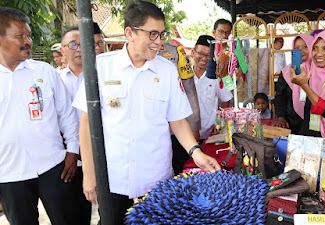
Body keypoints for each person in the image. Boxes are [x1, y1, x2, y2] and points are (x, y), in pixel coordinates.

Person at [72, 2, 221, 224]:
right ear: (130, 33)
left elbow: (177, 121)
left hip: (156, 180)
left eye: (162, 34)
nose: (159, 42)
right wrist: (89, 174)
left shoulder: (167, 71)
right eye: (152, 34)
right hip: (113, 180)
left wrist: (196, 154)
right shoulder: (101, 67)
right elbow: (86, 124)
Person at [0, 7, 80, 225]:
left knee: (68, 220)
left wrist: (73, 150)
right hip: (9, 173)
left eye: (29, 35)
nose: (28, 41)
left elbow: (67, 114)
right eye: (20, 36)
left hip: (54, 167)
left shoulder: (44, 72)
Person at [59, 27, 91, 225]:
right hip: (68, 160)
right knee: (72, 213)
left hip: (98, 158)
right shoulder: (55, 80)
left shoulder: (99, 78)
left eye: (82, 44)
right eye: (72, 44)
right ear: (62, 50)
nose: (78, 49)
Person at [158, 42, 201, 175]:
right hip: (148, 133)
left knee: (177, 168)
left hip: (175, 130)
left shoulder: (175, 51)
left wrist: (194, 124)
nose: (157, 40)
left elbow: (189, 89)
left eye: (161, 34)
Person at [192, 35, 233, 141]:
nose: (204, 58)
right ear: (193, 52)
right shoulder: (183, 76)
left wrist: (219, 121)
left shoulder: (216, 75)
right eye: (200, 53)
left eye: (208, 55)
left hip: (209, 134)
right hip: (187, 134)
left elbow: (226, 99)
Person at [274, 34, 314, 133]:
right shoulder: (287, 71)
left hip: (314, 120)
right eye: (297, 48)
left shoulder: (319, 70)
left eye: (305, 46)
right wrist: (281, 116)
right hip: (291, 120)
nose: (301, 51)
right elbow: (280, 95)